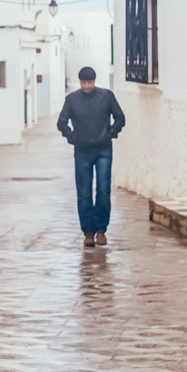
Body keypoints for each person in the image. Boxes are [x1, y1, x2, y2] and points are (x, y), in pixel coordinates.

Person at [56, 66, 126, 247]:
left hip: (103, 150)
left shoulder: (106, 97)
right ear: (79, 82)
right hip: (82, 152)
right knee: (84, 192)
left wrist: (109, 134)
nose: (87, 86)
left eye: (89, 82)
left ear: (94, 81)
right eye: (83, 83)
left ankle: (101, 230)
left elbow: (120, 118)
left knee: (103, 190)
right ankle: (88, 232)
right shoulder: (71, 100)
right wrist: (73, 137)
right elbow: (61, 123)